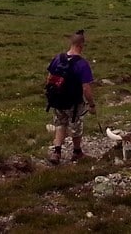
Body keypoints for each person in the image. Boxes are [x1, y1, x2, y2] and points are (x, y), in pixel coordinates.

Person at [46, 30, 96, 163]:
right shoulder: (82, 64)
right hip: (74, 102)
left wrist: (52, 94)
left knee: (60, 124)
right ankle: (77, 151)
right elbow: (86, 88)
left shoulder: (58, 58)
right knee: (76, 127)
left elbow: (49, 78)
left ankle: (56, 152)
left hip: (57, 99)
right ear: (81, 45)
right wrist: (91, 104)